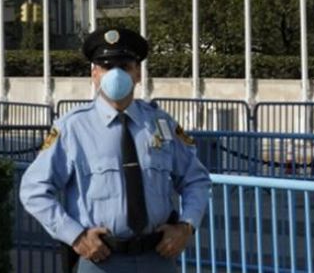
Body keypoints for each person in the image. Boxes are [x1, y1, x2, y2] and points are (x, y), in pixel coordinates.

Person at [20, 28, 212, 273]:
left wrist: (186, 227)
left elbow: (196, 179)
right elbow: (34, 190)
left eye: (125, 66)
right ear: (95, 74)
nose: (116, 74)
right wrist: (75, 236)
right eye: (107, 67)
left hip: (158, 257)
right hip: (101, 261)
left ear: (138, 74)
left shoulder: (160, 123)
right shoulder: (73, 128)